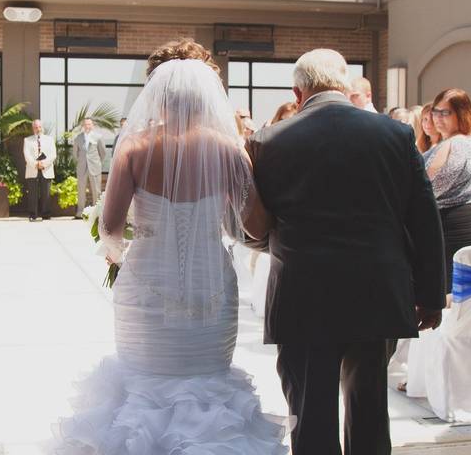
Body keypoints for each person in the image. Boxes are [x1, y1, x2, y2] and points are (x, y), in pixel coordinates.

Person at [50, 38, 289, 453]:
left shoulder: (135, 147)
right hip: (211, 286)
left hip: (146, 288)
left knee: (143, 383)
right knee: (207, 383)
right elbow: (255, 227)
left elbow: (109, 227)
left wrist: (118, 250)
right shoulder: (229, 150)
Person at [245, 48, 444, 454]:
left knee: (310, 412)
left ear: (297, 93)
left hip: (303, 292)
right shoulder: (394, 134)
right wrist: (430, 293)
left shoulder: (268, 141)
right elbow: (423, 219)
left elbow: (254, 227)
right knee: (369, 408)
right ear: (347, 86)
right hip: (377, 291)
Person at [427, 88, 471, 289]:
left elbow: (433, 185)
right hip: (457, 220)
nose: (438, 117)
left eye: (446, 112)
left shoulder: (458, 143)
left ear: (462, 113)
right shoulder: (461, 141)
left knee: (448, 297)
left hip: (454, 225)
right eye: (436, 112)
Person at [23, 119, 56, 221]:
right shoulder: (27, 140)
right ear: (33, 128)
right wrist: (36, 164)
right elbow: (26, 155)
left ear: (42, 127)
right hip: (32, 170)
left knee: (46, 193)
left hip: (46, 170)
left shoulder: (50, 139)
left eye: (39, 127)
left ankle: (46, 214)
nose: (38, 129)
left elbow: (53, 154)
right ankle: (33, 214)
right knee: (32, 193)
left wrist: (43, 164)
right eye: (36, 127)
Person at [73, 117, 106, 216]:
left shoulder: (98, 137)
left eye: (89, 124)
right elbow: (75, 154)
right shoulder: (78, 138)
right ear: (83, 126)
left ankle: (97, 212)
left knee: (96, 190)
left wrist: (97, 163)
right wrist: (80, 162)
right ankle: (80, 211)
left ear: (92, 125)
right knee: (81, 190)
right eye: (85, 124)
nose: (87, 126)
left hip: (94, 167)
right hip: (82, 168)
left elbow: (103, 153)